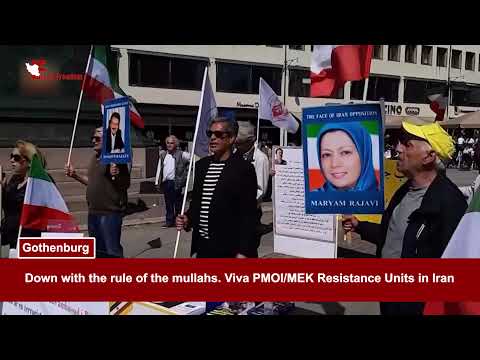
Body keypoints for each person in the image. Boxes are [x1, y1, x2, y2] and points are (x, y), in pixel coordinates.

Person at [343, 121, 467, 315]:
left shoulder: (451, 203)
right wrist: (360, 226)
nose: (397, 148)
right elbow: (394, 234)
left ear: (429, 157)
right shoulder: (405, 190)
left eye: (407, 144)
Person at [176, 117, 258, 258]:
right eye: (210, 134)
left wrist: (243, 251)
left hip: (230, 248)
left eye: (219, 135)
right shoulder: (202, 166)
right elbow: (196, 204)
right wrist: (187, 219)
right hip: (202, 247)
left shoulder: (244, 169)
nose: (213, 138)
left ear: (231, 138)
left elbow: (249, 214)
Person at [65, 126, 130, 258]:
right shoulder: (94, 158)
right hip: (93, 213)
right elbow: (92, 182)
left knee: (112, 253)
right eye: (92, 138)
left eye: (97, 138)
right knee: (98, 252)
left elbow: (125, 184)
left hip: (109, 214)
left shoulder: (116, 158)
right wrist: (75, 175)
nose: (94, 141)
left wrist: (117, 174)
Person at [1, 141, 46, 251]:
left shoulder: (40, 182)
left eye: (16, 158)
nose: (12, 160)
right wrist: (2, 187)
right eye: (11, 156)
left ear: (30, 162)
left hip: (30, 241)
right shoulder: (15, 180)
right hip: (12, 238)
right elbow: (8, 208)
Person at [235, 121, 270, 243]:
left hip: (249, 211)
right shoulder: (234, 154)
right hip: (232, 210)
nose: (236, 145)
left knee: (247, 245)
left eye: (240, 143)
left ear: (251, 140)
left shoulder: (261, 159)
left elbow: (260, 190)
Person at [317, 122, 377, 192]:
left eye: (345, 152)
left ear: (364, 155)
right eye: (327, 155)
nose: (334, 164)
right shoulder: (310, 198)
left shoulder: (385, 194)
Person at [155, 135, 190, 228]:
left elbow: (192, 158)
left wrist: (187, 173)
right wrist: (157, 182)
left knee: (178, 203)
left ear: (176, 144)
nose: (169, 145)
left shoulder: (181, 154)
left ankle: (179, 221)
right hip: (166, 182)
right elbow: (159, 168)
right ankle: (169, 221)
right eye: (168, 143)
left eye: (172, 143)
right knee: (168, 203)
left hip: (176, 182)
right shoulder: (163, 155)